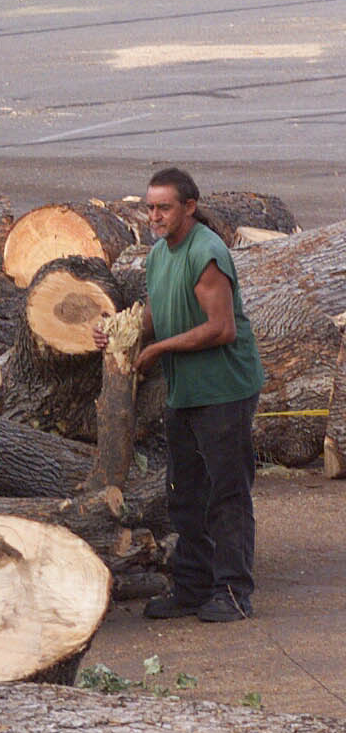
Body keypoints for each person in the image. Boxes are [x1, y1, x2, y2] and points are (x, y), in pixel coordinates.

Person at [94, 167, 264, 622]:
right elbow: (156, 309)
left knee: (226, 493)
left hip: (223, 391)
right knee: (184, 493)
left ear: (188, 206)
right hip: (185, 392)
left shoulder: (206, 252)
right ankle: (192, 588)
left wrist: (157, 350)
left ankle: (233, 592)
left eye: (163, 207)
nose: (154, 215)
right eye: (149, 207)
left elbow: (221, 328)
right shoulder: (159, 254)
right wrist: (118, 334)